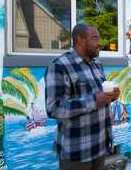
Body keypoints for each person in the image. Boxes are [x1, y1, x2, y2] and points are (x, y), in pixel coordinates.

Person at [45, 24, 120, 170]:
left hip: (100, 146)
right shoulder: (60, 66)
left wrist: (111, 96)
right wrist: (95, 100)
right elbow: (53, 108)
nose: (100, 43)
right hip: (77, 152)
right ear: (80, 40)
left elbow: (101, 95)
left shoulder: (97, 64)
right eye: (95, 38)